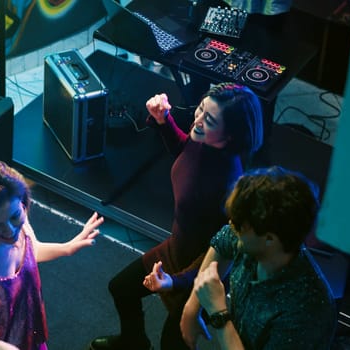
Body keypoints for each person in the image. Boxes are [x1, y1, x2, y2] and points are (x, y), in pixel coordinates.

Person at [90, 82, 263, 350]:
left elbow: (218, 256)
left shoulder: (229, 186)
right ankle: (134, 342)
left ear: (230, 136)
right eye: (201, 110)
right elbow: (185, 151)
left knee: (172, 343)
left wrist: (174, 281)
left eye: (209, 119)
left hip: (198, 275)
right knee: (121, 289)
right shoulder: (203, 141)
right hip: (174, 250)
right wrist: (163, 120)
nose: (198, 120)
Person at [0, 160, 104, 350]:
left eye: (14, 216)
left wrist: (67, 248)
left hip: (27, 333)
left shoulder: (22, 227)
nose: (10, 231)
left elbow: (30, 253)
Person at [179, 166, 336, 349]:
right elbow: (223, 242)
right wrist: (192, 308)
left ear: (270, 238)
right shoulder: (255, 243)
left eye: (239, 226)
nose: (231, 226)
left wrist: (218, 313)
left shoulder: (307, 313)